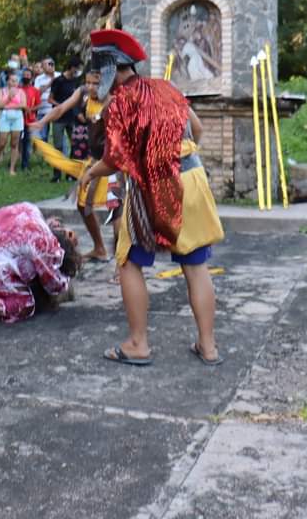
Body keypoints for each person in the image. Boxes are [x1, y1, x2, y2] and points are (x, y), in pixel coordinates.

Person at [78, 29, 225, 367]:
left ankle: (138, 344)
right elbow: (198, 129)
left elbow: (114, 159)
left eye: (99, 73)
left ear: (111, 69)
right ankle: (208, 346)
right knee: (195, 265)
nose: (97, 80)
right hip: (192, 178)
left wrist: (90, 173)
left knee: (129, 261)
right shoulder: (166, 87)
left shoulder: (120, 103)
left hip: (153, 187)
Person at [32, 68, 119, 266]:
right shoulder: (83, 93)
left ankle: (122, 264)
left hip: (112, 162)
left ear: (105, 84)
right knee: (83, 205)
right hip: (94, 160)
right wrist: (42, 122)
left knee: (117, 211)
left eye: (95, 83)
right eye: (88, 82)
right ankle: (99, 249)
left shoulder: (113, 101)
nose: (90, 87)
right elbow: (61, 108)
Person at [0, 202, 82, 333]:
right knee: (26, 302)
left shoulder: (31, 209)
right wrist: (65, 278)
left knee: (19, 260)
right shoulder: (44, 242)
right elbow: (54, 285)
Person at [0, 69, 27, 176]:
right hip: (4, 118)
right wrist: (9, 98)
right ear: (8, 81)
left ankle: (12, 169)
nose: (15, 83)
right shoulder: (2, 91)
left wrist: (7, 106)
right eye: (13, 80)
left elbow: (23, 105)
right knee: (1, 143)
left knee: (14, 143)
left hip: (17, 118)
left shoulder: (21, 91)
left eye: (16, 81)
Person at [20, 67, 41, 171]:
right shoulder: (18, 89)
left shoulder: (35, 90)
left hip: (30, 119)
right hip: (18, 118)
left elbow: (39, 104)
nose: (26, 77)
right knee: (18, 141)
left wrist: (31, 109)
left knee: (28, 141)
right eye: (24, 75)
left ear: (32, 77)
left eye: (28, 75)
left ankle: (25, 164)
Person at [33, 56, 57, 139]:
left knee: (58, 135)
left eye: (49, 64)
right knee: (43, 136)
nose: (45, 66)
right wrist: (50, 83)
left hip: (56, 110)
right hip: (42, 110)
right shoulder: (39, 79)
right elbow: (36, 94)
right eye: (44, 64)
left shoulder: (59, 75)